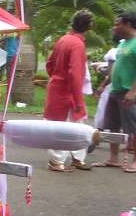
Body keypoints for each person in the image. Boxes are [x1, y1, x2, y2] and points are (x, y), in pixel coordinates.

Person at [43, 9, 94, 171]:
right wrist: (79, 100)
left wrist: (56, 78)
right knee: (65, 127)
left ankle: (77, 158)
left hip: (58, 88)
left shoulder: (64, 39)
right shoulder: (78, 44)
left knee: (75, 125)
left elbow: (50, 64)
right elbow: (75, 74)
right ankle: (57, 161)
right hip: (68, 92)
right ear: (89, 26)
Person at [103, 9, 136, 172]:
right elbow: (117, 66)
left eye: (118, 24)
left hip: (128, 92)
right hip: (115, 90)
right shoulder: (123, 43)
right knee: (112, 125)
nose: (115, 27)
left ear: (127, 24)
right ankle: (113, 158)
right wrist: (105, 83)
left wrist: (133, 91)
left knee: (133, 127)